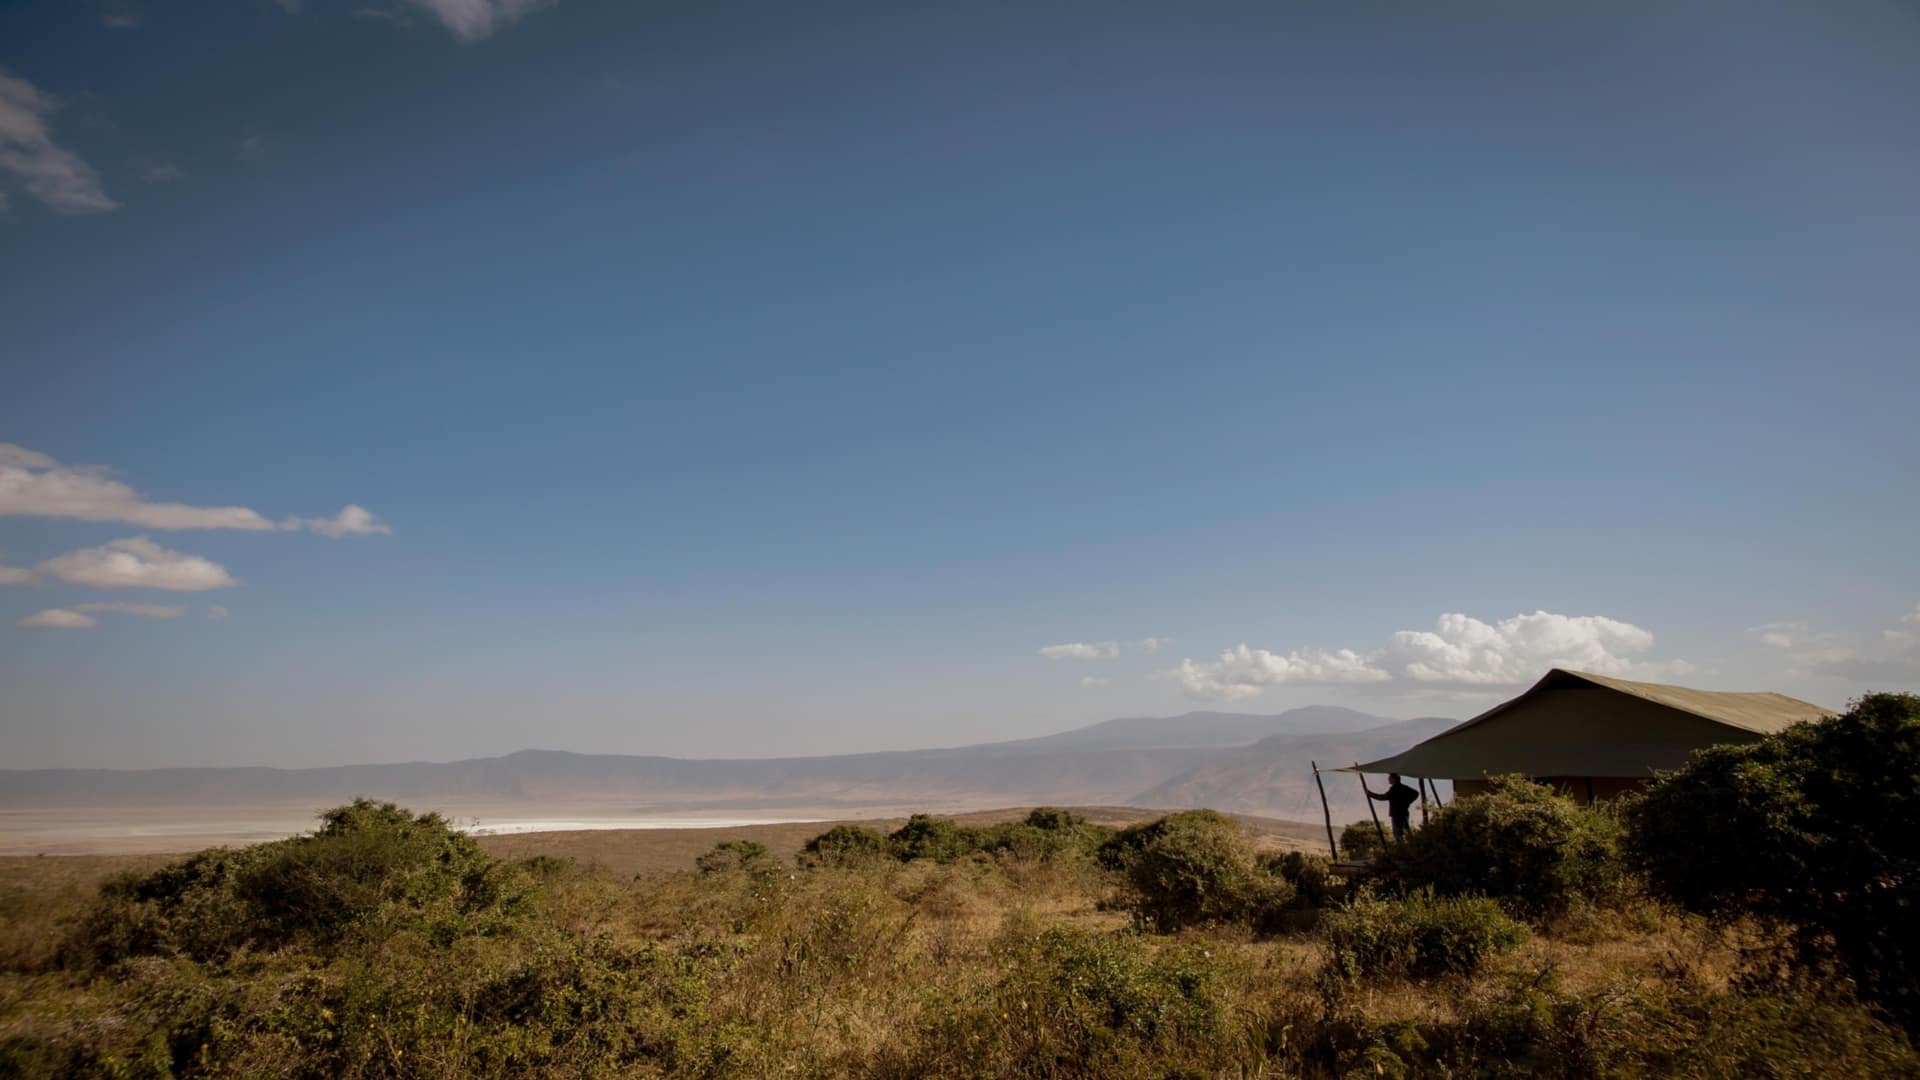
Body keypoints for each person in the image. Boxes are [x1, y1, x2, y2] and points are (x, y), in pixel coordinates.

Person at [1365, 773, 1421, 843]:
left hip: (1396, 814)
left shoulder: (1394, 788)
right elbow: (1416, 793)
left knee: (1398, 834)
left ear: (1394, 779)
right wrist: (1407, 802)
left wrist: (1370, 794)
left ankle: (1402, 850)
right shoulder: (1403, 787)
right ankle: (1411, 848)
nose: (1388, 779)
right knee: (1406, 831)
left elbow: (1383, 797)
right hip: (1404, 812)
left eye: (1390, 778)